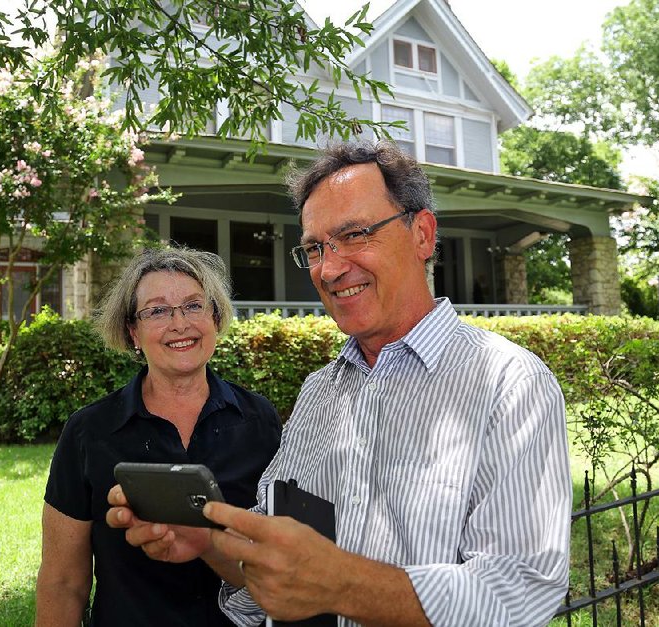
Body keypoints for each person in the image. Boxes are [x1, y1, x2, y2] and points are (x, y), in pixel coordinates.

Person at [106, 141, 572, 626]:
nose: (328, 269)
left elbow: (522, 592)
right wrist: (209, 543)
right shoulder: (319, 392)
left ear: (423, 235)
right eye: (314, 248)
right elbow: (276, 555)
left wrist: (343, 583)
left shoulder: (509, 385)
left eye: (355, 234)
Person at [35, 247, 282, 626]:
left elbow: (282, 556)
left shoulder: (260, 421)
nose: (179, 323)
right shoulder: (89, 432)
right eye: (158, 311)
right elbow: (63, 582)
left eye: (194, 306)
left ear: (215, 318)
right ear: (133, 332)